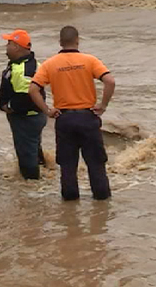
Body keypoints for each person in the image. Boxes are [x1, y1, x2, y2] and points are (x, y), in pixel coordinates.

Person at [29, 26, 115, 201]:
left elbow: (33, 89)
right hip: (88, 117)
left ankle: (70, 207)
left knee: (67, 166)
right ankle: (102, 202)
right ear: (77, 40)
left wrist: (47, 110)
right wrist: (103, 105)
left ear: (60, 42)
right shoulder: (89, 60)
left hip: (65, 118)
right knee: (96, 163)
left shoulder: (50, 64)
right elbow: (110, 81)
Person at [0, 29, 47, 180]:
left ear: (17, 47)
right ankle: (44, 173)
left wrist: (9, 107)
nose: (6, 46)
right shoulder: (26, 64)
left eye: (9, 43)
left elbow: (28, 97)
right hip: (31, 117)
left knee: (27, 156)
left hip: (26, 118)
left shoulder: (26, 69)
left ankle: (32, 188)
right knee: (33, 149)